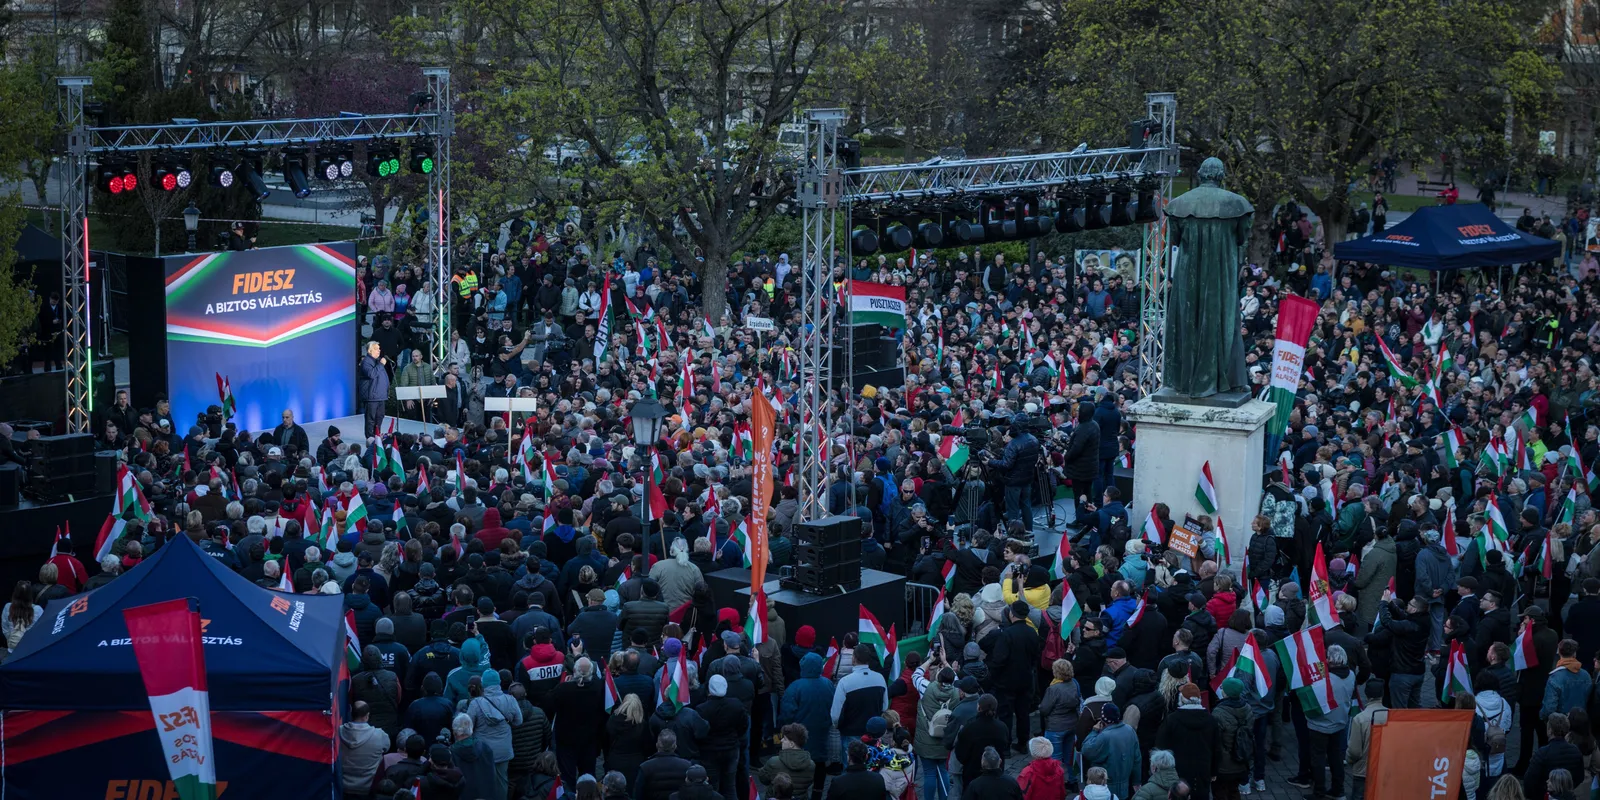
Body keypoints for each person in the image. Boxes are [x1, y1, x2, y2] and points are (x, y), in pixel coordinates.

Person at [1081, 703, 1139, 800]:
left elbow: (1086, 750)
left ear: (1103, 719)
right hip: (1125, 786)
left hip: (1107, 787)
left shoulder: (1105, 736)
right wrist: (1136, 781)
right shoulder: (1130, 730)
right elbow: (1137, 759)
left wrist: (1094, 732)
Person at [340, 701, 391, 800]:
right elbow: (386, 748)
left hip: (344, 786)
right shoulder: (380, 735)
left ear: (351, 714)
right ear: (367, 716)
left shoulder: (339, 732)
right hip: (368, 787)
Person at [358, 340, 391, 437]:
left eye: (379, 349)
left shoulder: (377, 361)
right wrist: (381, 365)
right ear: (369, 351)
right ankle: (370, 439)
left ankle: (377, 436)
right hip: (371, 396)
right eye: (376, 349)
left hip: (380, 396)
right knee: (370, 419)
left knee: (379, 417)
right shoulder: (366, 362)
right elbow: (372, 374)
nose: (379, 351)